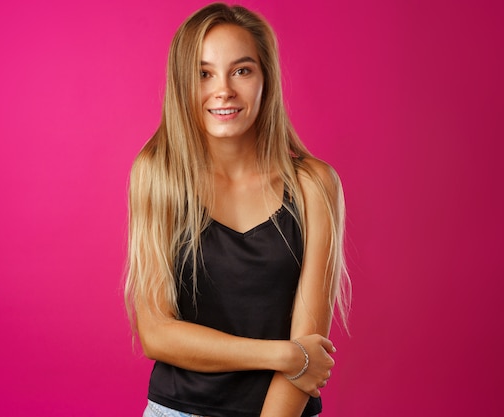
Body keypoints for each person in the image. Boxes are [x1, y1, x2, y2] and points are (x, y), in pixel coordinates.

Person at [125, 3, 350, 417]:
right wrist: (281, 355)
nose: (223, 90)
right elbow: (157, 333)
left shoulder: (314, 184)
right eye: (204, 73)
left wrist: (292, 359)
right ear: (182, 84)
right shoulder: (159, 175)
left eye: (242, 70)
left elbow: (308, 344)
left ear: (266, 79)